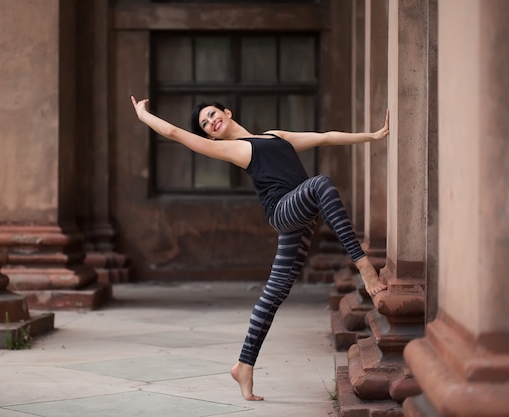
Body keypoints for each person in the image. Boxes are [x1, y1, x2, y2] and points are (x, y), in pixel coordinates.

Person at [130, 95, 389, 401]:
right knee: (321, 184)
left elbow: (324, 138)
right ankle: (364, 266)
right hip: (282, 210)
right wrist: (143, 114)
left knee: (274, 292)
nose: (211, 121)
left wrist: (372, 135)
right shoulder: (231, 148)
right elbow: (174, 133)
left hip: (301, 216)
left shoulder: (275, 136)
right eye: (205, 125)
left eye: (212, 114)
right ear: (211, 135)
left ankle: (243, 365)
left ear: (227, 111)